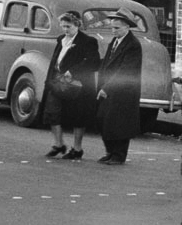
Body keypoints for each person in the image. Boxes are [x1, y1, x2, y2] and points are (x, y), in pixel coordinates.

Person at [41, 10, 101, 161]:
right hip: (58, 81)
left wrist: (72, 71)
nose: (65, 30)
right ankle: (59, 144)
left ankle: (77, 149)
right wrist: (49, 80)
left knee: (78, 115)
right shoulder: (61, 39)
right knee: (51, 112)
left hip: (78, 84)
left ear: (77, 25)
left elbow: (94, 63)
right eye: (63, 26)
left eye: (68, 26)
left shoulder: (88, 41)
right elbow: (55, 61)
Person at [90, 12, 145, 166]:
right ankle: (110, 152)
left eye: (117, 28)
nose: (113, 30)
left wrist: (107, 88)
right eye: (112, 27)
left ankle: (119, 155)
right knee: (104, 119)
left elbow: (125, 70)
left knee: (119, 122)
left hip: (123, 91)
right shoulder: (114, 41)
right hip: (109, 88)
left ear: (127, 27)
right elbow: (107, 63)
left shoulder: (133, 45)